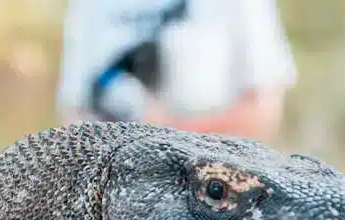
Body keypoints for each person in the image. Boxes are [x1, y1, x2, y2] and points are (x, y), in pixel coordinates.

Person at [56, 0, 297, 142]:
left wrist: (167, 135)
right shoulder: (89, 6)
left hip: (214, 191)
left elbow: (263, 112)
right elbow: (76, 115)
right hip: (119, 183)